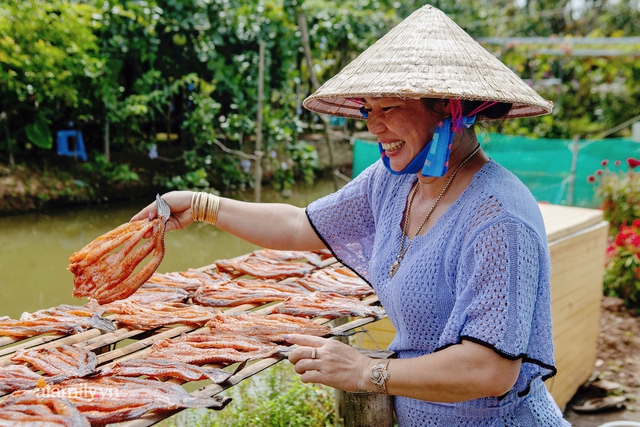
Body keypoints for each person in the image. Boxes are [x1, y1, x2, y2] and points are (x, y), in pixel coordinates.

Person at [132, 5, 570, 426]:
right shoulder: (393, 182)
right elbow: (298, 224)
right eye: (368, 110)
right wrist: (203, 205)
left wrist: (366, 372)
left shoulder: (498, 217)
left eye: (390, 108)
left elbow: (489, 370)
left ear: (450, 108)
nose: (373, 127)